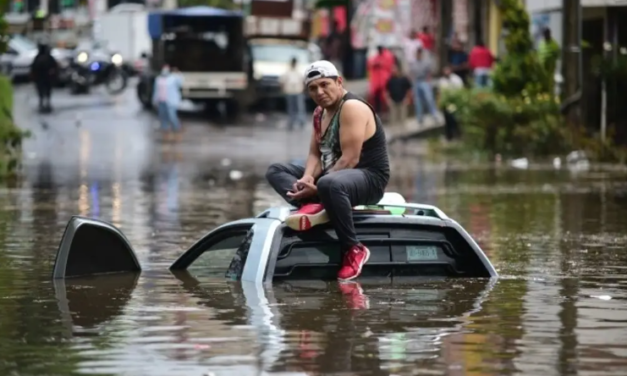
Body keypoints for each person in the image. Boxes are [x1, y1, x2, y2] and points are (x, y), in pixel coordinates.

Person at [265, 60, 390, 281]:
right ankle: (315, 203)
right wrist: (306, 178)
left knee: (328, 184)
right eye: (312, 88)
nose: (319, 92)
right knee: (276, 170)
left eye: (324, 85)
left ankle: (353, 249)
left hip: (368, 178)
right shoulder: (319, 113)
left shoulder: (351, 107)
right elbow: (315, 154)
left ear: (338, 82)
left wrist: (317, 187)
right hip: (333, 178)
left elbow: (350, 159)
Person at [152, 64, 183, 142]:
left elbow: (180, 82)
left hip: (171, 101)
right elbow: (156, 90)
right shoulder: (158, 79)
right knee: (163, 117)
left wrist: (178, 73)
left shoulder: (173, 78)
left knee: (172, 116)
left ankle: (176, 129)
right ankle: (165, 132)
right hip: (162, 101)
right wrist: (155, 100)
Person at [409, 48, 437, 125]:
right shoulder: (413, 63)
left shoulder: (426, 62)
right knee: (418, 101)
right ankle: (420, 118)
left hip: (424, 81)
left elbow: (429, 73)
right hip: (416, 82)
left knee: (429, 98)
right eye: (417, 53)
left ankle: (434, 114)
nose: (419, 55)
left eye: (420, 53)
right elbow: (411, 74)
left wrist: (429, 82)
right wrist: (412, 85)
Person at [437, 66, 464, 141]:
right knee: (447, 120)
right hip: (445, 103)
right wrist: (439, 102)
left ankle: (457, 134)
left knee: (454, 119)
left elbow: (460, 91)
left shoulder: (456, 79)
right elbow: (439, 92)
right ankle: (449, 136)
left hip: (453, 102)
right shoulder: (442, 81)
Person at [30, 43, 58, 113]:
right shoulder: (49, 58)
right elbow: (55, 67)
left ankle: (42, 102)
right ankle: (46, 102)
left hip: (41, 77)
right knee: (47, 90)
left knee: (41, 90)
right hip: (45, 77)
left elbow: (33, 68)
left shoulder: (38, 58)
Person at [280, 57, 307, 130]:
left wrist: (303, 90)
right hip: (289, 91)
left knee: (300, 107)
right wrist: (283, 90)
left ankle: (301, 121)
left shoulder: (299, 72)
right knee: (291, 108)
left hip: (298, 91)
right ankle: (291, 122)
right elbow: (282, 82)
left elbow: (303, 82)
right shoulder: (287, 72)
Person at [366, 46, 395, 113]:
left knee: (385, 97)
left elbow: (389, 65)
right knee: (376, 98)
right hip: (376, 81)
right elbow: (370, 63)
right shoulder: (375, 56)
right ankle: (378, 112)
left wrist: (380, 64)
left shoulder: (387, 56)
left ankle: (386, 112)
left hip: (385, 80)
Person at [384, 63, 412, 127]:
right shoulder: (390, 80)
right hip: (393, 101)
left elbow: (409, 89)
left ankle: (403, 133)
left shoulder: (403, 79)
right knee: (393, 119)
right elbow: (386, 91)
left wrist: (407, 98)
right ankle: (395, 133)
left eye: (395, 70)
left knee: (403, 119)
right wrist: (388, 100)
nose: (393, 71)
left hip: (402, 101)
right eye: (392, 70)